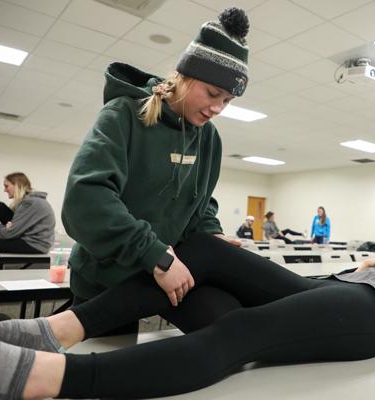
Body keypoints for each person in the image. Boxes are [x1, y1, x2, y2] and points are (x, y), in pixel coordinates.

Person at [0, 235, 375, 399]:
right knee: (194, 262)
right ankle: (49, 331)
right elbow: (340, 284)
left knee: (238, 333)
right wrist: (371, 264)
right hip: (330, 292)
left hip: (368, 318)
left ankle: (38, 377)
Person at [60, 8, 250, 335]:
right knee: (102, 368)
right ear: (185, 76)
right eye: (212, 93)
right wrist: (155, 255)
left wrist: (211, 234)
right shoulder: (122, 115)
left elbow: (201, 202)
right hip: (107, 278)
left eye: (228, 100)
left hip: (166, 274)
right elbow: (85, 201)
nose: (218, 108)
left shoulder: (209, 139)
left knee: (230, 322)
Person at [0, 173, 55, 254]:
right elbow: (11, 229)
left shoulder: (31, 203)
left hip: (34, 245)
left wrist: (2, 229)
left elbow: (9, 233)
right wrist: (6, 228)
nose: (4, 190)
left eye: (6, 186)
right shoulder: (28, 202)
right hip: (27, 239)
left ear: (17, 185)